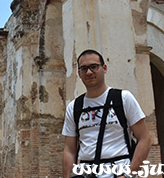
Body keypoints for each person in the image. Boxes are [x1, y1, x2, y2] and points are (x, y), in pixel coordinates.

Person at [62, 49, 152, 178]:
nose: (89, 72)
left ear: (104, 68)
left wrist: (129, 174)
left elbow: (145, 139)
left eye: (94, 67)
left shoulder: (123, 98)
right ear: (79, 73)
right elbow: (69, 150)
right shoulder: (74, 107)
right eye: (84, 69)